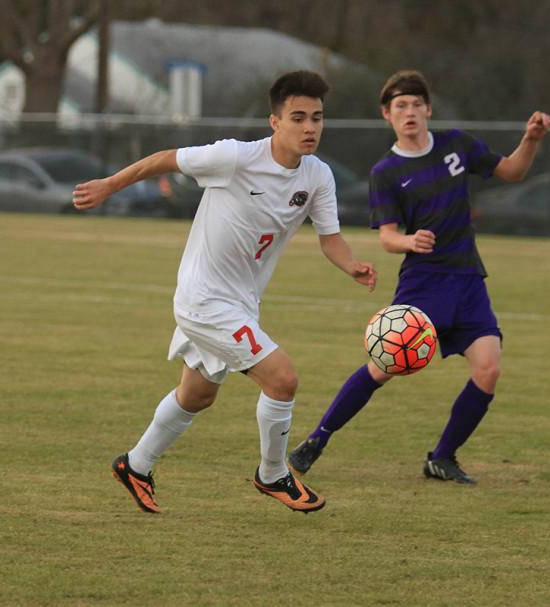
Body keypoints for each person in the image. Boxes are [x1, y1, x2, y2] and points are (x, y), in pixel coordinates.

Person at [72, 70, 377, 514]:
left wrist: (351, 265)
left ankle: (135, 466)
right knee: (282, 378)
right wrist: (109, 185)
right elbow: (164, 159)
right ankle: (272, 474)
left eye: (317, 118)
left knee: (197, 395)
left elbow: (329, 237)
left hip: (241, 303)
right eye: (298, 117)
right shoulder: (235, 157)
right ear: (276, 122)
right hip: (203, 298)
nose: (310, 127)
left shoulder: (318, 177)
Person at [290, 69, 550, 484]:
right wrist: (411, 240)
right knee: (382, 367)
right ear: (386, 115)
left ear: (428, 109)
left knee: (489, 368)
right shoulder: (387, 171)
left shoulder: (456, 145)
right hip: (423, 285)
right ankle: (318, 438)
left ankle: (442, 458)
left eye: (416, 104)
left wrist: (532, 140)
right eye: (400, 106)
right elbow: (390, 239)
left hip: (467, 280)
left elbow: (512, 172)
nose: (409, 111)